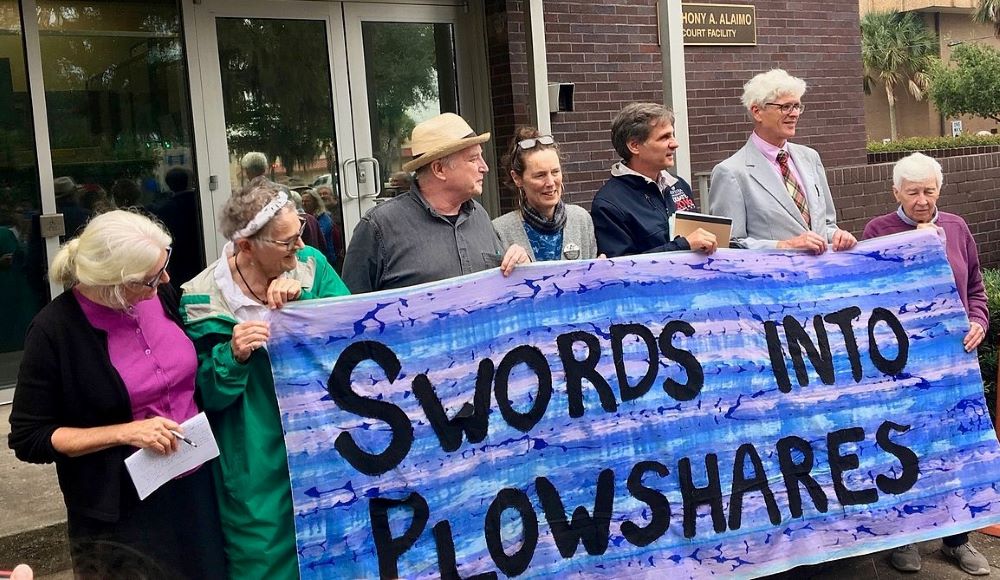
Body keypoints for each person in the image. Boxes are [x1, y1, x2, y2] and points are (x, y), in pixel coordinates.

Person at [7, 210, 226, 579]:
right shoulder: (54, 332)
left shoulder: (160, 294)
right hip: (120, 509)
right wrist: (125, 432)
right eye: (152, 278)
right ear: (113, 282)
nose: (166, 279)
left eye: (164, 267)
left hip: (192, 485)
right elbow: (29, 438)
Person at [180, 182, 349, 580]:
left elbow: (352, 341)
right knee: (262, 558)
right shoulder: (200, 300)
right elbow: (203, 395)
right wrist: (233, 354)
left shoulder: (313, 268)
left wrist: (305, 307)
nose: (299, 248)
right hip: (252, 454)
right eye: (286, 242)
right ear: (247, 245)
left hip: (321, 441)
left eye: (300, 234)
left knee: (334, 550)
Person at [864, 153, 990, 576]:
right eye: (913, 191)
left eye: (929, 190)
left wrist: (978, 320)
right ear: (895, 192)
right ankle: (906, 537)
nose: (922, 199)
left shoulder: (956, 227)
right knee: (903, 444)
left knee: (952, 446)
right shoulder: (878, 231)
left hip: (953, 359)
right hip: (900, 361)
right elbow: (869, 296)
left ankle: (958, 539)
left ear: (940, 189)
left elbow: (974, 286)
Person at [343, 112, 529, 293]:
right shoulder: (379, 226)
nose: (485, 167)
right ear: (439, 169)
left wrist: (520, 266)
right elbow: (349, 311)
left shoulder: (479, 215)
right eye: (473, 159)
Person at [708, 69, 857, 253]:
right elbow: (729, 244)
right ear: (757, 112)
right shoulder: (730, 172)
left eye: (797, 106)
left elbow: (825, 223)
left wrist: (836, 235)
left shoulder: (810, 157)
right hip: (773, 279)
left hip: (820, 276)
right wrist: (784, 246)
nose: (794, 114)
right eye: (785, 107)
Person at [591, 103, 717, 258]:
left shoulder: (679, 185)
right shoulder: (609, 203)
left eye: (672, 135)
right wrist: (683, 246)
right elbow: (621, 268)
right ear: (634, 146)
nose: (675, 144)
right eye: (664, 137)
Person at [493, 127, 598, 261]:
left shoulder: (581, 220)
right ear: (517, 178)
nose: (550, 182)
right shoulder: (500, 231)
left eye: (555, 172)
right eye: (540, 175)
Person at [301, 187, 339, 266]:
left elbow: (317, 237)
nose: (304, 204)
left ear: (315, 202)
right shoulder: (305, 218)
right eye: (302, 201)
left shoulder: (324, 218)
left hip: (326, 260)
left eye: (307, 201)